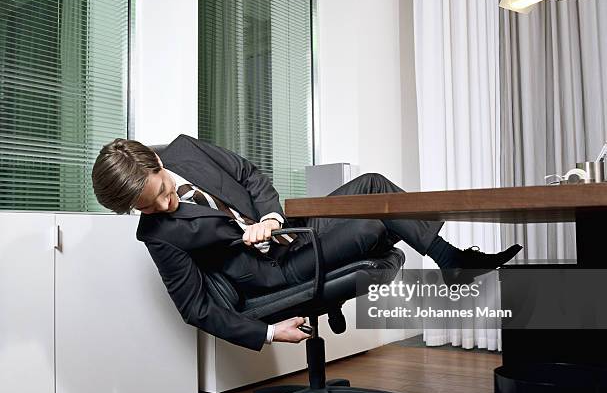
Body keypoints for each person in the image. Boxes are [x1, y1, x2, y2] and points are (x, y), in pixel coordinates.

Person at [91, 133, 521, 351]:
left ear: (160, 162)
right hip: (271, 269)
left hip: (287, 227)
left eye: (163, 190)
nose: (165, 205)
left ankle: (451, 261)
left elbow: (248, 175)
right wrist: (269, 332)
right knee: (372, 228)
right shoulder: (158, 235)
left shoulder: (187, 149)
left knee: (373, 185)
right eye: (149, 207)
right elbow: (195, 308)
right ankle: (443, 265)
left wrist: (272, 216)